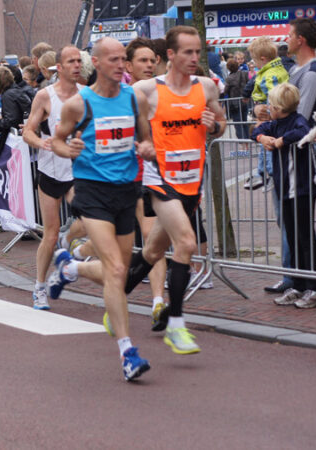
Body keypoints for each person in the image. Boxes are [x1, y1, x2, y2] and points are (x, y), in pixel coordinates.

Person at [46, 37, 152, 381]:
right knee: (117, 270)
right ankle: (127, 352)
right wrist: (69, 149)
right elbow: (58, 141)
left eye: (124, 59)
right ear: (97, 62)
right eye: (114, 59)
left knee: (116, 272)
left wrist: (146, 147)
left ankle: (71, 269)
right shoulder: (80, 104)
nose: (122, 65)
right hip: (91, 193)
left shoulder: (133, 99)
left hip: (125, 191)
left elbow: (146, 138)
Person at [125, 26, 227, 354]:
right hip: (160, 181)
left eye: (198, 51)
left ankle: (113, 300)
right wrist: (141, 145)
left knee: (153, 252)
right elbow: (127, 129)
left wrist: (215, 126)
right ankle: (176, 326)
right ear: (170, 55)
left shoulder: (208, 87)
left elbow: (221, 125)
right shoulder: (145, 90)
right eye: (188, 52)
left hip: (191, 183)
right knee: (186, 242)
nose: (195, 58)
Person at [251, 83, 316, 308]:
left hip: (301, 189)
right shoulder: (276, 123)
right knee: (293, 238)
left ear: (280, 107)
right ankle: (299, 283)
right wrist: (261, 138)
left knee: (306, 238)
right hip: (284, 189)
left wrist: (282, 141)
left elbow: (303, 132)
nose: (269, 109)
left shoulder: (297, 120)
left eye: (272, 105)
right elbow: (257, 130)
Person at [23, 45, 84, 310]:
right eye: (71, 61)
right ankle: (39, 287)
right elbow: (27, 131)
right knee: (48, 235)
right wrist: (41, 142)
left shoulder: (87, 95)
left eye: (79, 61)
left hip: (77, 171)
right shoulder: (45, 96)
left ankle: (67, 239)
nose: (76, 65)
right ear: (58, 67)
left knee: (88, 220)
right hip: (50, 170)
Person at [245, 37, 289, 191]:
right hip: (269, 111)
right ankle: (264, 172)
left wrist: (268, 111)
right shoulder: (278, 69)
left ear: (262, 59)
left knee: (267, 144)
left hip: (270, 114)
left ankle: (268, 172)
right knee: (266, 143)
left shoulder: (269, 75)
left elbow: (274, 95)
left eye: (254, 60)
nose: (254, 63)